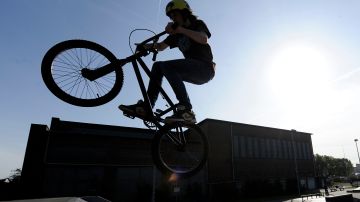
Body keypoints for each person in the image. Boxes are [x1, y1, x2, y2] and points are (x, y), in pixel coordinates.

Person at [119, 0, 215, 124]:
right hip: (192, 70)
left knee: (168, 66)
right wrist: (145, 46)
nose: (173, 19)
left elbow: (203, 39)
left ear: (184, 13)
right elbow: (160, 46)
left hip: (205, 68)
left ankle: (186, 110)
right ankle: (147, 107)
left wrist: (180, 30)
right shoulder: (176, 34)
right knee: (158, 66)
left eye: (175, 15)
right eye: (170, 17)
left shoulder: (196, 24)